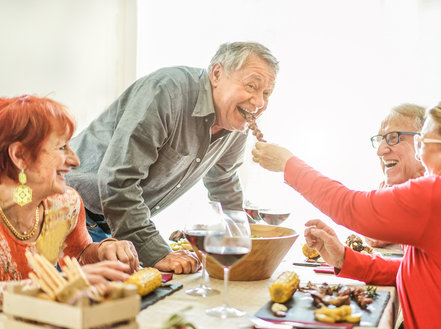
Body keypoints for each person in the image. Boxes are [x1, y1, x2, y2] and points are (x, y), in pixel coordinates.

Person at [252, 93, 441, 329]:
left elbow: (350, 206)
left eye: (424, 142)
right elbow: (426, 272)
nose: (420, 152)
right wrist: (345, 258)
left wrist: (288, 164)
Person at [66, 42, 279, 273]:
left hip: (117, 228)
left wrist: (244, 239)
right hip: (71, 215)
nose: (259, 102)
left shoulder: (236, 121)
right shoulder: (167, 91)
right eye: (251, 86)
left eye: (266, 93)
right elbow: (118, 180)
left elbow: (223, 181)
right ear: (217, 74)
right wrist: (156, 251)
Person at [0, 95, 139, 285]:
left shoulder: (65, 205)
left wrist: (103, 250)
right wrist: (62, 280)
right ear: (19, 155)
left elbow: (79, 253)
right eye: (62, 147)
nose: (75, 161)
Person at [366, 104, 425, 248]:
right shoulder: (390, 192)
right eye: (380, 140)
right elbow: (373, 235)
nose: (380, 151)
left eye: (393, 137)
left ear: (424, 142)